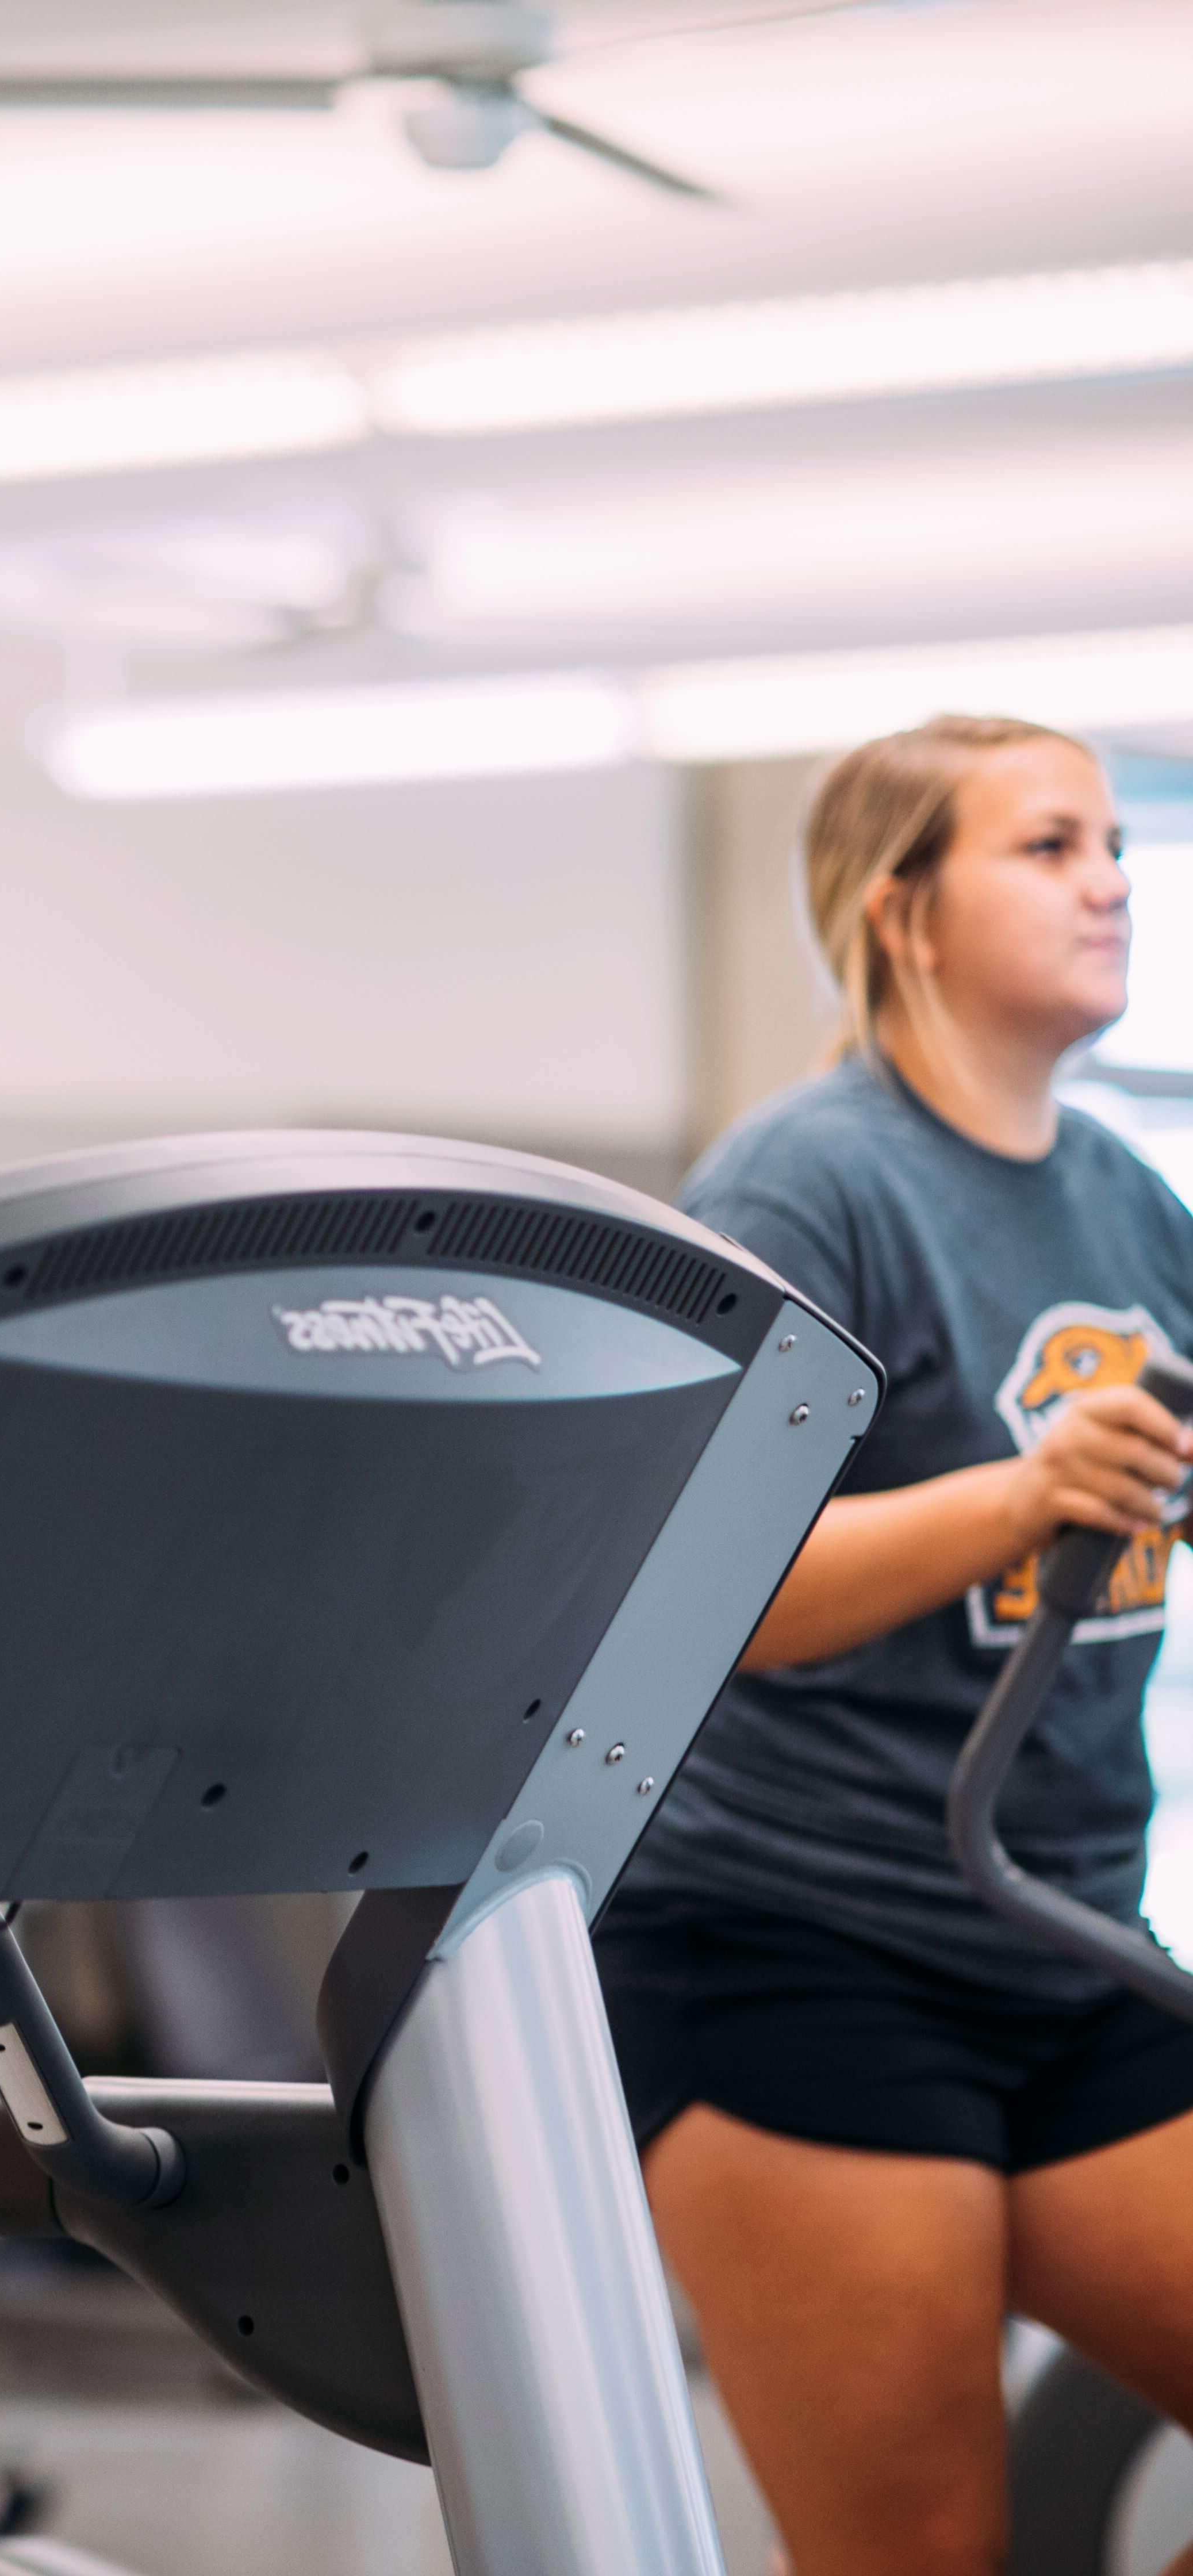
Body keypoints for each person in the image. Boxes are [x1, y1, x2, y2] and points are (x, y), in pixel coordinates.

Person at [598, 715, 1193, 2576]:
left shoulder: (1121, 1191)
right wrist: (1022, 1499)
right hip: (804, 1956)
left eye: (1111, 841)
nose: (1111, 879)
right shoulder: (807, 1184)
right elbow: (692, 1603)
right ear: (903, 914)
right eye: (1045, 847)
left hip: (1072, 1937)